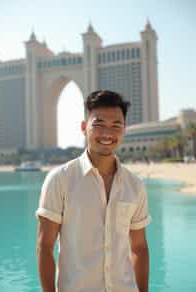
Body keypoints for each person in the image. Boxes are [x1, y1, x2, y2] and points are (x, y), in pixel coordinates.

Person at [36, 90, 151, 292]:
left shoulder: (135, 186)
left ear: (124, 129)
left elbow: (139, 248)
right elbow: (45, 247)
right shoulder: (60, 180)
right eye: (98, 124)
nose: (107, 133)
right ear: (84, 127)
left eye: (116, 126)